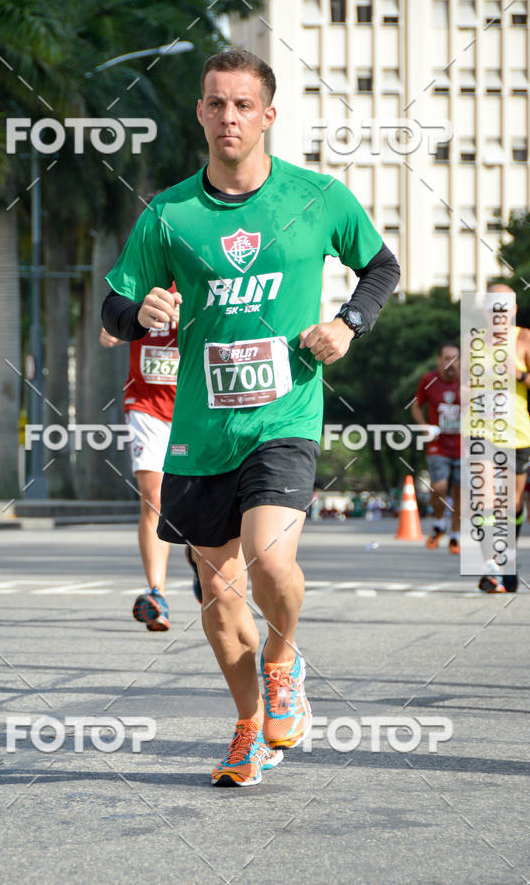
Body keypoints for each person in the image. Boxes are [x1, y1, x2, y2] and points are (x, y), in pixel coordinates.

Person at [102, 49, 400, 786]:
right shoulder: (170, 214)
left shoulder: (317, 197)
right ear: (200, 113)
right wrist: (141, 313)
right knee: (219, 594)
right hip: (200, 434)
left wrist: (349, 323)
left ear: (268, 115)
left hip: (286, 415)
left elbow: (381, 266)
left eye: (242, 105)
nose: (228, 116)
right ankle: (245, 727)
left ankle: (283, 658)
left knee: (270, 560)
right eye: (215, 104)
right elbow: (114, 304)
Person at [99, 307, 202, 630]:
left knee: (199, 499)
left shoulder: (202, 268)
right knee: (153, 498)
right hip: (146, 405)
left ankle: (197, 555)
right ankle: (157, 594)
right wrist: (115, 327)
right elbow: (118, 314)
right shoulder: (143, 275)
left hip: (195, 406)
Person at [475, 284, 530, 594]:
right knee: (484, 501)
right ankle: (491, 567)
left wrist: (518, 374)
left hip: (518, 434)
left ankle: (507, 555)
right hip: (482, 431)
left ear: (513, 309)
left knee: (512, 506)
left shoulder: (524, 339)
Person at [411, 342, 461, 554]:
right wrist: (424, 427)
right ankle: (440, 522)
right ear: (439, 360)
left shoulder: (469, 381)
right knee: (439, 487)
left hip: (464, 446)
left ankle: (455, 537)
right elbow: (415, 405)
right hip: (438, 445)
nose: (452, 362)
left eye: (456, 358)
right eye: (447, 357)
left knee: (461, 493)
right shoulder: (428, 380)